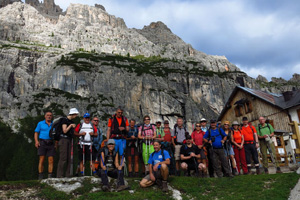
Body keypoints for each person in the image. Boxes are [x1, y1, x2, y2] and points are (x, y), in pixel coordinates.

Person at [57, 108, 79, 178]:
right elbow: (64, 131)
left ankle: (68, 174)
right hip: (63, 139)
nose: (76, 116)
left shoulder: (70, 121)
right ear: (73, 114)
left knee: (69, 158)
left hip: (69, 140)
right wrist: (70, 126)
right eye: (76, 114)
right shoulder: (64, 120)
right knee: (63, 157)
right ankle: (60, 174)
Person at [34, 111, 55, 180]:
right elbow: (36, 132)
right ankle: (40, 175)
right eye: (47, 115)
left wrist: (56, 143)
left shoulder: (53, 124)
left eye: (50, 115)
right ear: (45, 116)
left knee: (51, 160)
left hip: (51, 142)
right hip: (42, 142)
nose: (49, 116)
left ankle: (50, 175)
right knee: (41, 159)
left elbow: (56, 134)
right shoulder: (40, 123)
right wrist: (36, 141)